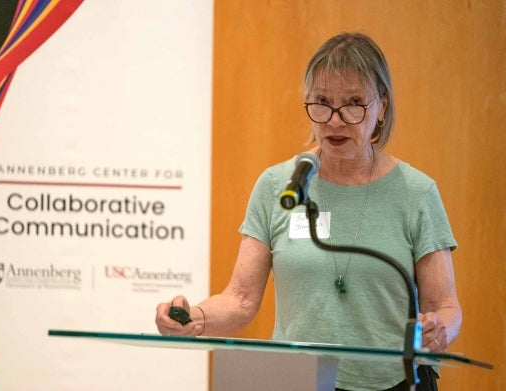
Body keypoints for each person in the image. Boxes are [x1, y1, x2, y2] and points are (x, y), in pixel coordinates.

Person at [155, 32, 461, 391]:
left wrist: (440, 329)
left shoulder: (417, 192)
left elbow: (445, 306)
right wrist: (196, 316)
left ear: (382, 107)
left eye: (353, 103)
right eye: (321, 102)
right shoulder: (279, 186)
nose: (334, 120)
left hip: (393, 383)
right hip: (297, 381)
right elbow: (240, 299)